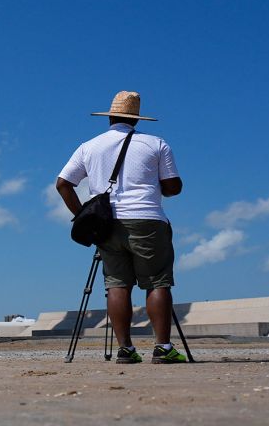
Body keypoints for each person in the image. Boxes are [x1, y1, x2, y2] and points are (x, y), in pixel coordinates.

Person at [55, 90, 186, 364]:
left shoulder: (88, 146)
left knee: (117, 285)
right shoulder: (156, 144)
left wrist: (83, 216)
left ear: (110, 117)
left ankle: (125, 349)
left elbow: (63, 184)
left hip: (106, 225)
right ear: (136, 119)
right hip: (147, 220)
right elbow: (173, 187)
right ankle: (163, 348)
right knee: (157, 283)